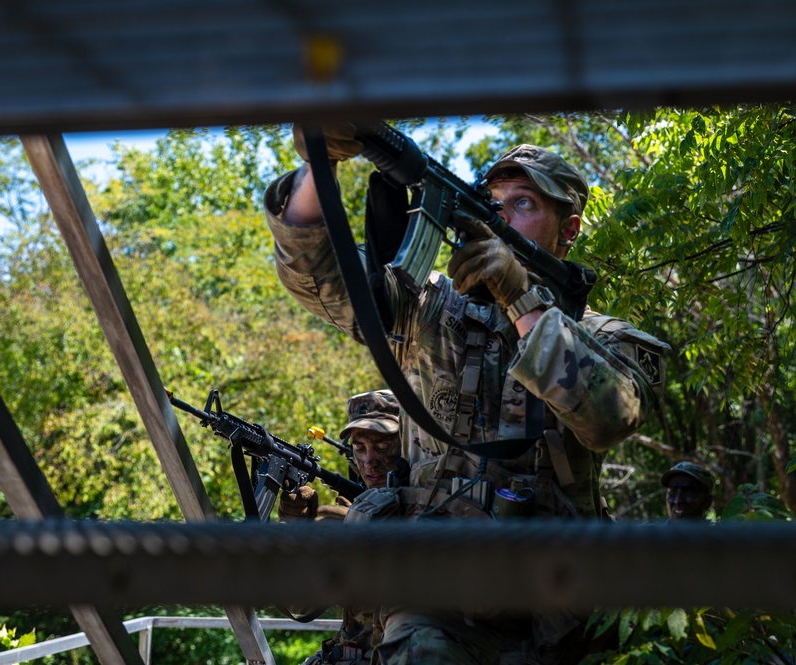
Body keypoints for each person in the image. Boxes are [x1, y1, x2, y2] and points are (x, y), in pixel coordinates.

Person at [265, 123, 670, 664]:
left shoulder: (606, 337)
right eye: (493, 201)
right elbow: (318, 275)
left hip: (558, 612)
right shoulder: (428, 308)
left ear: (568, 230)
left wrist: (521, 299)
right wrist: (322, 163)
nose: (502, 216)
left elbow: (607, 418)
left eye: (523, 203)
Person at [277, 389, 403, 665]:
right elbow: (299, 605)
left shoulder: (432, 506)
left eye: (382, 447)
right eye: (360, 449)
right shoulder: (353, 510)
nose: (369, 461)